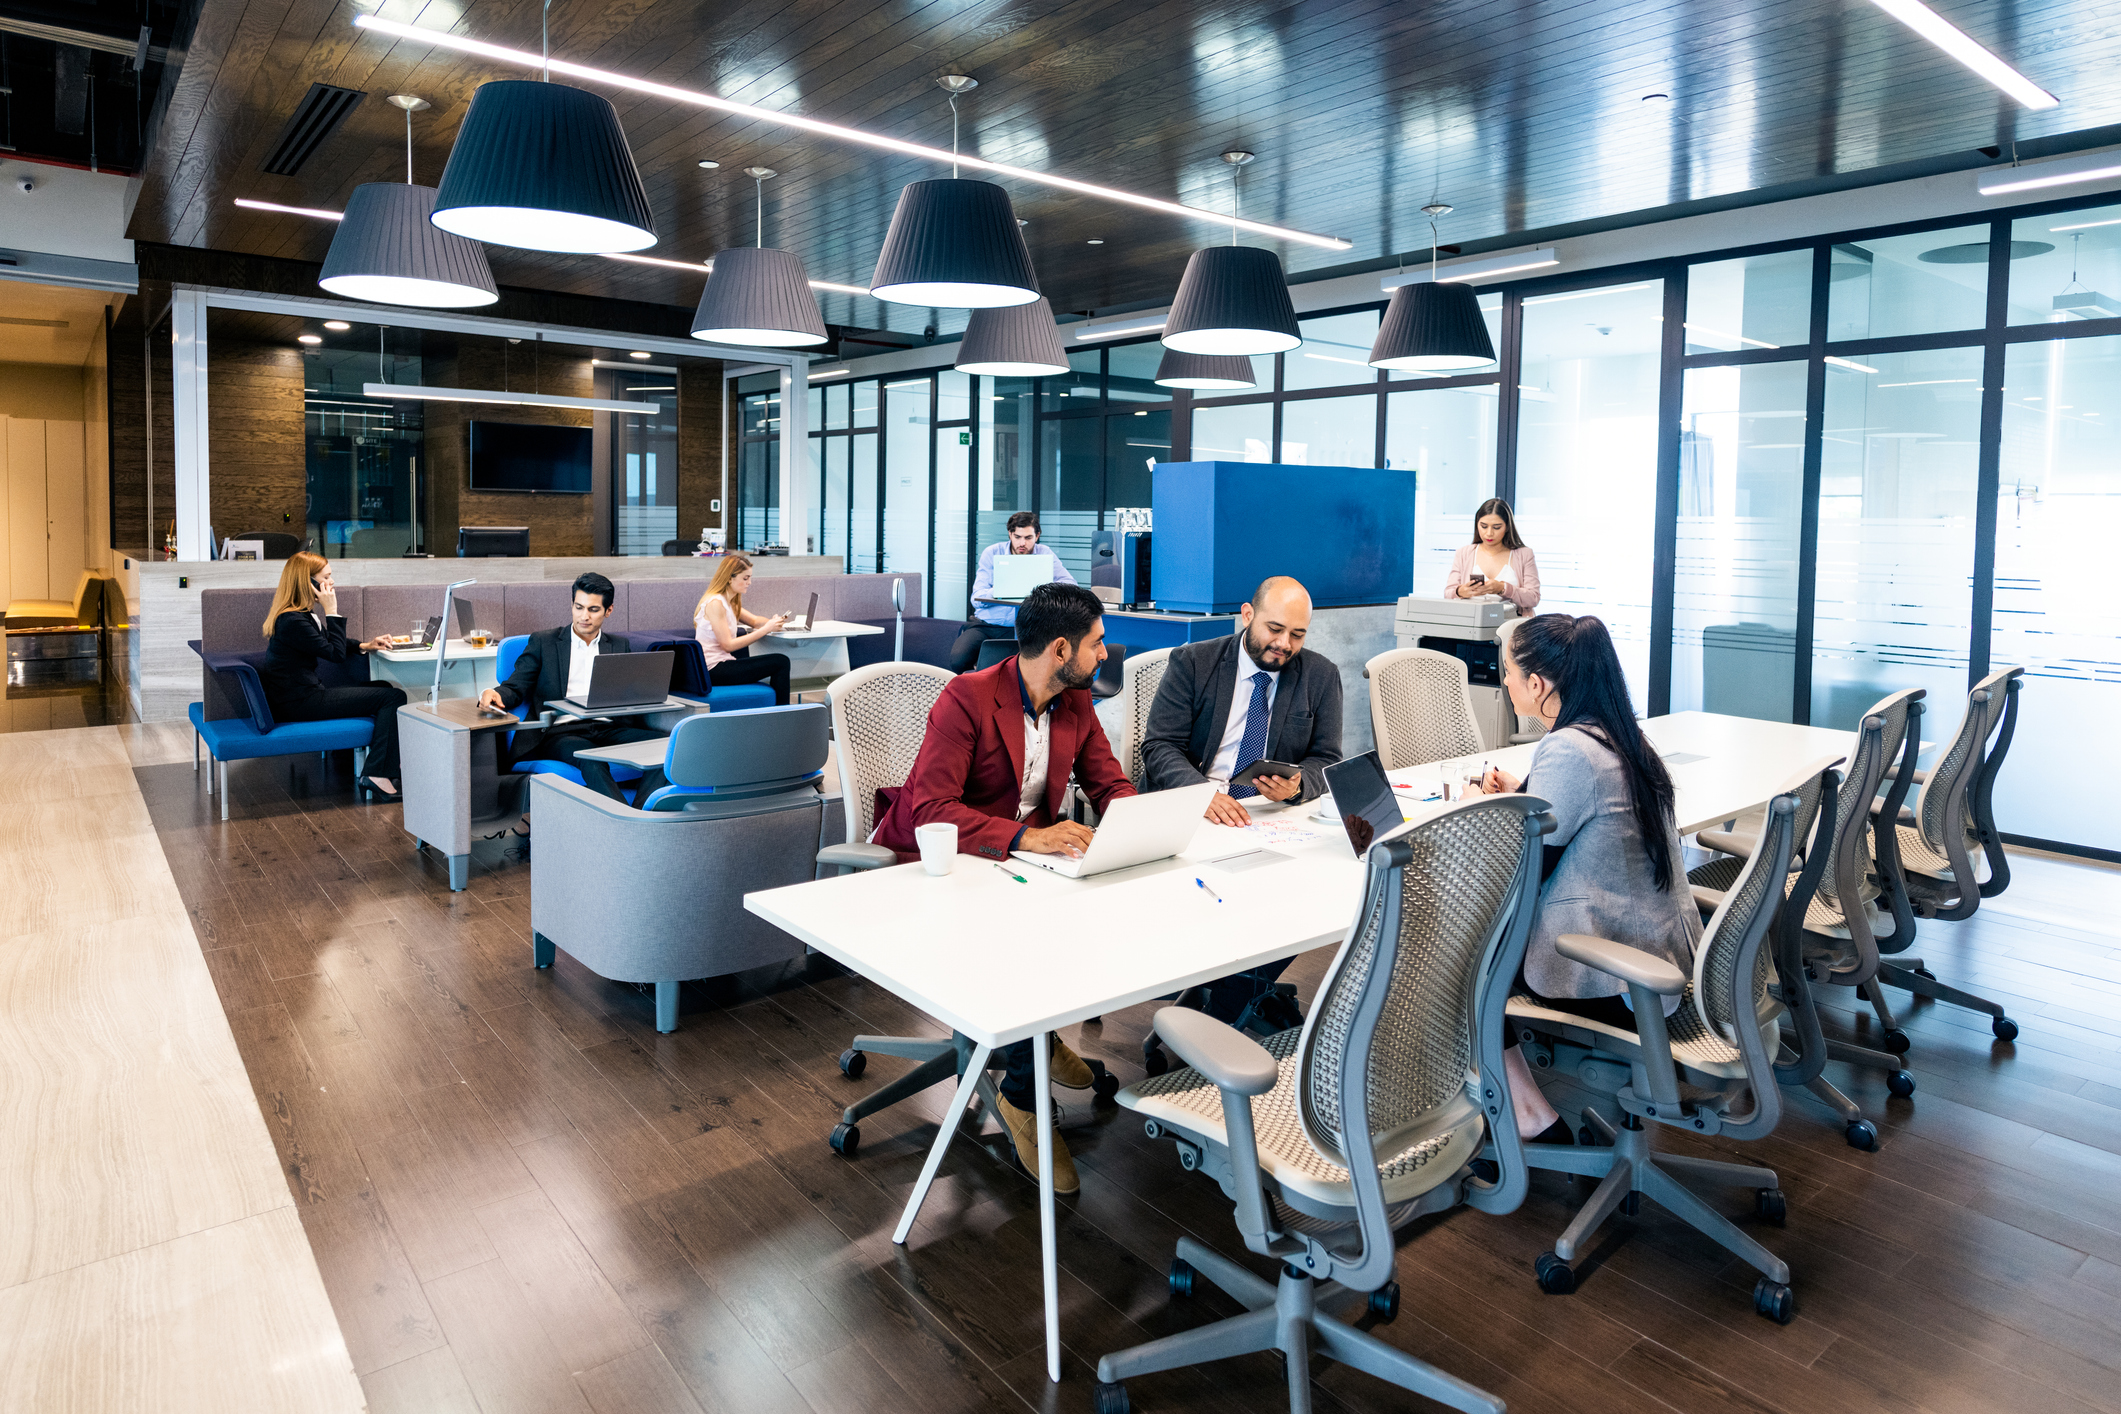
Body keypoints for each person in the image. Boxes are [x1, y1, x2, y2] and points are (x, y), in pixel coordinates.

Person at [873, 581, 1134, 1194]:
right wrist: (1025, 837)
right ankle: (1021, 1093)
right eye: (1098, 644)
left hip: (1020, 867)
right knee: (1022, 934)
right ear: (1062, 648)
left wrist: (1136, 826)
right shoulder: (967, 696)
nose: (1105, 655)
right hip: (947, 859)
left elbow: (1108, 783)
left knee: (1102, 911)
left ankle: (1035, 1039)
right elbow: (930, 809)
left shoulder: (1075, 701)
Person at [1472, 612, 1700, 1143]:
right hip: (1659, 955)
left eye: (1508, 672)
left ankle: (1527, 1114)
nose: (1504, 683)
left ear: (1537, 684)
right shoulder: (1619, 734)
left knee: (1465, 959)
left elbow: (1524, 872)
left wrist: (1478, 819)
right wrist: (1522, 792)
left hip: (1616, 975)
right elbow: (1582, 813)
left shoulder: (1567, 748)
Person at [1138, 575, 1343, 1027]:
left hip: (1266, 817)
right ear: (1247, 616)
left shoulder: (1321, 674)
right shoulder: (1194, 662)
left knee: (1311, 896)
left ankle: (1227, 1006)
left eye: (1297, 634)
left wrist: (1297, 786)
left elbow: (1326, 758)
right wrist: (1201, 792)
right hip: (1193, 812)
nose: (1284, 644)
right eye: (1274, 629)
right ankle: (1226, 1012)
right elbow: (1158, 746)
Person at [477, 573, 671, 807]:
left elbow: (628, 694)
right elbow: (516, 685)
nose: (584, 616)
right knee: (591, 759)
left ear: (608, 611)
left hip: (608, 728)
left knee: (668, 745)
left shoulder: (619, 645)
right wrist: (496, 694)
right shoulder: (544, 642)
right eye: (579, 607)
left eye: (593, 609)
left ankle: (641, 815)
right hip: (562, 732)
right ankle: (623, 823)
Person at [258, 552, 405, 799]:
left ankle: (383, 759)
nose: (332, 582)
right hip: (300, 703)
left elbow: (325, 641)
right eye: (327, 577)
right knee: (393, 697)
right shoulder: (292, 620)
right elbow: (334, 654)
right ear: (309, 583)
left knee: (383, 686)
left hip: (300, 696)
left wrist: (365, 645)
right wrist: (332, 610)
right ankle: (377, 773)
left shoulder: (298, 614)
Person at [951, 510, 1079, 672]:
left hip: (1028, 629)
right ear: (1010, 534)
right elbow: (976, 597)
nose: (1022, 543)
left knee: (1013, 671)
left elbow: (1070, 585)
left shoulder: (1044, 554)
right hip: (988, 625)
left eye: (1028, 538)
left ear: (1037, 536)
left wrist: (1043, 592)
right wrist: (1001, 590)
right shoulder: (992, 553)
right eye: (1017, 537)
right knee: (958, 660)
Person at [694, 554, 793, 705]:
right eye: (745, 578)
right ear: (729, 578)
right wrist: (766, 629)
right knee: (781, 662)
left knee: (780, 661)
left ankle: (780, 714)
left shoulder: (729, 602)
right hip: (713, 670)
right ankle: (782, 716)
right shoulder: (715, 603)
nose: (749, 582)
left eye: (750, 578)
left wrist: (774, 622)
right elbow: (727, 645)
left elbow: (754, 621)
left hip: (724, 664)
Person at [1443, 498, 1541, 615]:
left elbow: (1533, 598)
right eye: (1484, 526)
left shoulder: (1524, 554)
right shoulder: (1464, 553)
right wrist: (1460, 592)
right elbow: (1448, 593)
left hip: (1513, 626)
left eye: (1496, 527)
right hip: (1472, 624)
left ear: (1507, 527)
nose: (1489, 533)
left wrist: (1503, 588)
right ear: (1477, 524)